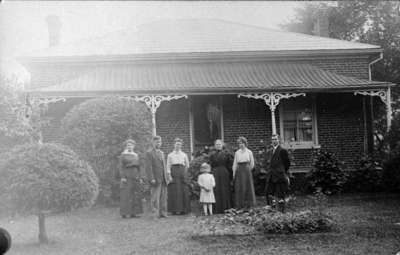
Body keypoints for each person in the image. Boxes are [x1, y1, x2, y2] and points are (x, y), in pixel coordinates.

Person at [145, 136, 171, 218]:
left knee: (163, 197)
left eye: (159, 142)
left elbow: (164, 166)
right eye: (157, 142)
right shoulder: (149, 153)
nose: (158, 143)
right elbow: (148, 167)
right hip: (155, 179)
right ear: (153, 143)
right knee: (155, 198)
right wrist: (151, 178)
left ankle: (163, 213)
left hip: (163, 178)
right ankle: (155, 214)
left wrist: (167, 176)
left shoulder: (162, 153)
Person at [264, 134, 290, 213]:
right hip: (271, 176)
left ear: (279, 140)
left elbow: (287, 163)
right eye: (272, 139)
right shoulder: (271, 151)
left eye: (275, 139)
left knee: (280, 195)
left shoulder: (282, 151)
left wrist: (282, 171)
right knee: (268, 193)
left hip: (279, 176)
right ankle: (271, 210)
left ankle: (281, 212)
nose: (274, 141)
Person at [118, 139, 143, 218]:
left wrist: (140, 177)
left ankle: (134, 213)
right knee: (126, 194)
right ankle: (125, 213)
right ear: (126, 146)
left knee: (135, 194)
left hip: (135, 175)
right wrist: (122, 176)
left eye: (131, 145)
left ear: (134, 146)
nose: (130, 146)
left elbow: (139, 167)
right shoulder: (123, 155)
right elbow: (120, 167)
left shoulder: (136, 155)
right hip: (127, 175)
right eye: (128, 145)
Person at [166, 138, 191, 215]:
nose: (178, 146)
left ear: (181, 145)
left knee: (183, 190)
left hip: (182, 173)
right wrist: (169, 176)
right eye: (177, 144)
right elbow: (168, 166)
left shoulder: (184, 154)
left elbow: (187, 165)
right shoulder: (170, 155)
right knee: (175, 191)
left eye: (179, 144)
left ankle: (183, 209)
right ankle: (174, 210)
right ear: (174, 144)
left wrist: (185, 174)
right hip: (174, 173)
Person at [209, 139, 233, 214]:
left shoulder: (227, 154)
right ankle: (217, 208)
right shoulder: (212, 155)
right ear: (214, 146)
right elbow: (210, 165)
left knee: (225, 189)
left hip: (224, 172)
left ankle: (226, 207)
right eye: (217, 144)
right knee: (216, 189)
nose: (218, 146)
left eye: (219, 144)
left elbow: (230, 164)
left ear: (222, 145)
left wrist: (230, 174)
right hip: (215, 173)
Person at [232, 136, 256, 209]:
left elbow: (252, 163)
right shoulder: (237, 153)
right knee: (240, 187)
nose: (241, 144)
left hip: (247, 170)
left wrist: (248, 170)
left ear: (245, 143)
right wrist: (234, 172)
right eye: (239, 143)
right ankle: (240, 205)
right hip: (239, 170)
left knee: (248, 187)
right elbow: (235, 163)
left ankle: (249, 205)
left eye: (242, 143)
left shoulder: (249, 152)